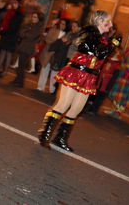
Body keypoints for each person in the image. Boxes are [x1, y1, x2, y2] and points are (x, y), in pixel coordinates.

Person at [37, 10, 120, 152]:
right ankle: (44, 134)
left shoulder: (102, 38)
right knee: (63, 105)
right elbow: (99, 53)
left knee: (76, 109)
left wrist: (110, 44)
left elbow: (102, 55)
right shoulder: (88, 33)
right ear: (99, 20)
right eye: (108, 21)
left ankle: (60, 138)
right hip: (77, 72)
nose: (110, 24)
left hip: (89, 76)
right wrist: (113, 44)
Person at [11, 11, 44, 87]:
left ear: (38, 19)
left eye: (35, 17)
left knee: (21, 65)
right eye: (33, 16)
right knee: (20, 65)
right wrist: (25, 33)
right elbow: (21, 32)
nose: (33, 18)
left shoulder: (38, 27)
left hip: (28, 48)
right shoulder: (29, 24)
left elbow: (30, 36)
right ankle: (18, 80)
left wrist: (25, 33)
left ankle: (20, 81)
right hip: (23, 46)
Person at [37, 19, 70, 93]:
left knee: (54, 73)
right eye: (61, 23)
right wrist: (56, 43)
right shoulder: (54, 30)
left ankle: (52, 89)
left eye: (64, 24)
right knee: (44, 69)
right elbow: (47, 39)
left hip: (58, 56)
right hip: (49, 52)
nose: (62, 25)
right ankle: (40, 87)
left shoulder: (68, 35)